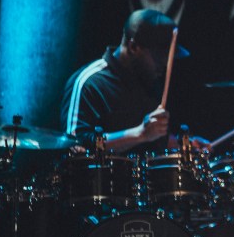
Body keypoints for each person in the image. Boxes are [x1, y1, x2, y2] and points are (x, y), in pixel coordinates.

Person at [60, 8, 199, 153]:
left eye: (168, 57)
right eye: (159, 56)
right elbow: (75, 145)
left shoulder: (149, 81)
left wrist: (184, 144)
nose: (165, 64)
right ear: (133, 47)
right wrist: (140, 134)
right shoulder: (89, 83)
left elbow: (152, 140)